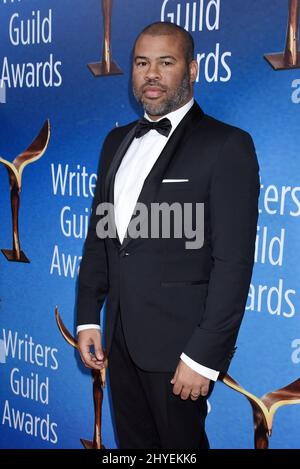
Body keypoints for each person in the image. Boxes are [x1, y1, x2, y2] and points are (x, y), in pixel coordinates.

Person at [76, 21, 260, 449]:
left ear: (192, 69)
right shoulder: (115, 142)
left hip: (181, 353)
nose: (151, 74)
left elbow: (233, 264)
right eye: (142, 63)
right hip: (119, 342)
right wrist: (89, 315)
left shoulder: (226, 145)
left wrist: (203, 357)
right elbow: (101, 238)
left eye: (166, 62)